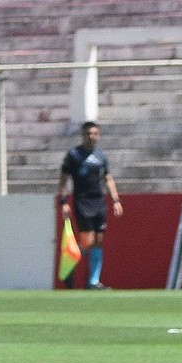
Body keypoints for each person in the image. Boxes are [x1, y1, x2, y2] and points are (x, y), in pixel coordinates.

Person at [57, 121, 122, 291]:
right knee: (87, 241)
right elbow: (64, 179)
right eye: (88, 133)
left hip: (99, 202)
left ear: (98, 136)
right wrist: (63, 202)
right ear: (83, 135)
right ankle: (69, 267)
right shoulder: (74, 155)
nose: (91, 136)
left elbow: (107, 178)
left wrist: (115, 199)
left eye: (94, 133)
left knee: (99, 241)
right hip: (82, 202)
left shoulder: (101, 156)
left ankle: (93, 282)